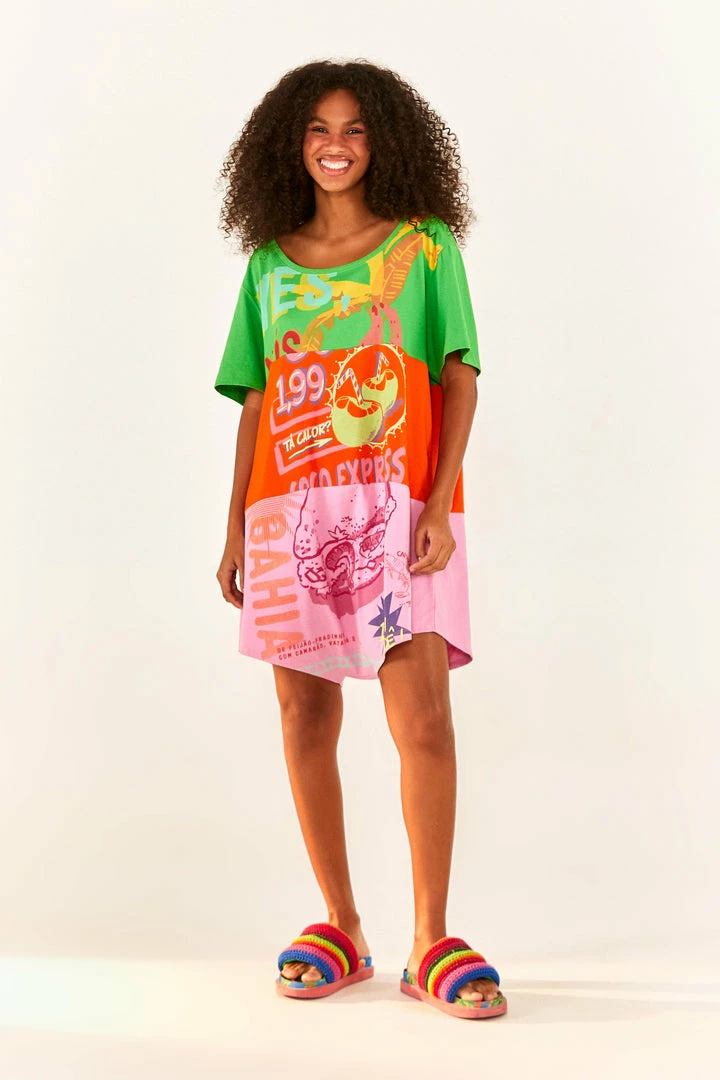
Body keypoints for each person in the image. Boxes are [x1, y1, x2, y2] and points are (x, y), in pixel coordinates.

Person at [213, 59, 507, 1020]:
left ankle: (431, 939)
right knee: (304, 716)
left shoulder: (425, 248)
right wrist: (234, 527)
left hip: (396, 509)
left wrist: (438, 504)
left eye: (354, 129)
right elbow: (257, 402)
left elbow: (458, 377)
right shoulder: (269, 265)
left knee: (421, 720)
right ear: (289, 146)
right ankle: (341, 923)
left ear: (384, 140)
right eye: (316, 130)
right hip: (286, 513)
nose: (335, 146)